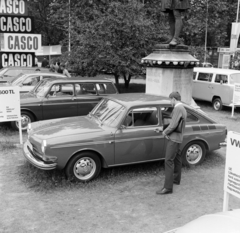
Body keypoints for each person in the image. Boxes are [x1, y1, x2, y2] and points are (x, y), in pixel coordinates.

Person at [156, 91, 187, 195]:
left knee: (168, 161)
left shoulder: (177, 108)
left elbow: (173, 125)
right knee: (177, 158)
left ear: (174, 99)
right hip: (179, 138)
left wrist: (164, 132)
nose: (170, 102)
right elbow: (177, 124)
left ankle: (168, 188)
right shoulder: (183, 108)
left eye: (170, 100)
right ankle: (176, 179)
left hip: (173, 139)